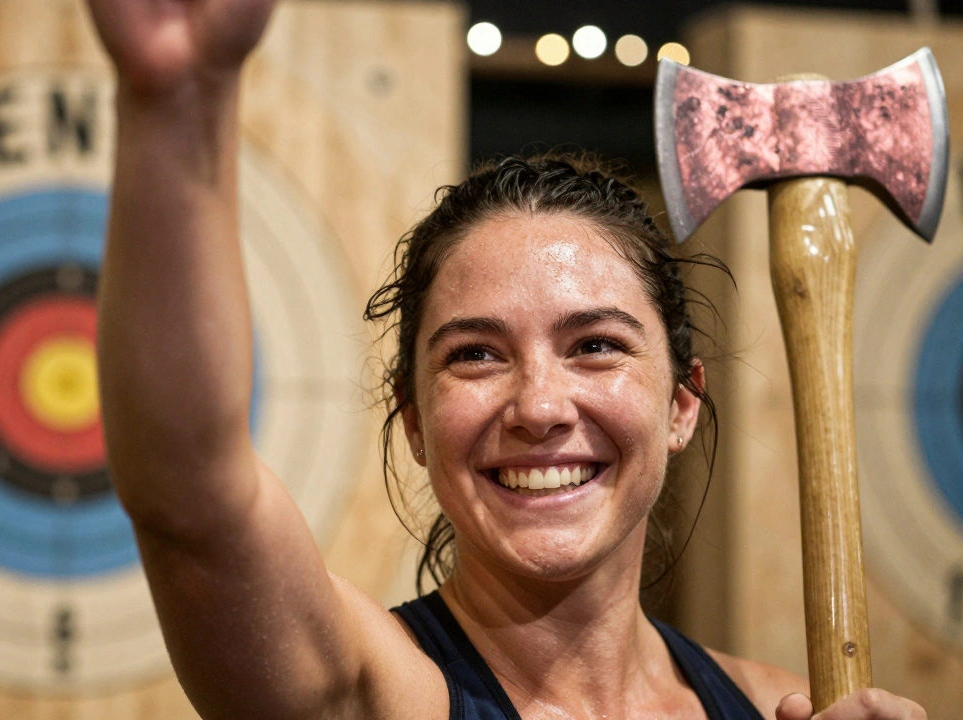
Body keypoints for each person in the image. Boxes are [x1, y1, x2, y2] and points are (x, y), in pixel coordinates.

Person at [87, 0, 928, 717]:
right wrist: (174, 101)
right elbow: (188, 497)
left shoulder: (779, 702)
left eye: (595, 346)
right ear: (414, 422)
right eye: (476, 355)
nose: (539, 405)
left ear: (683, 403)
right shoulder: (370, 690)